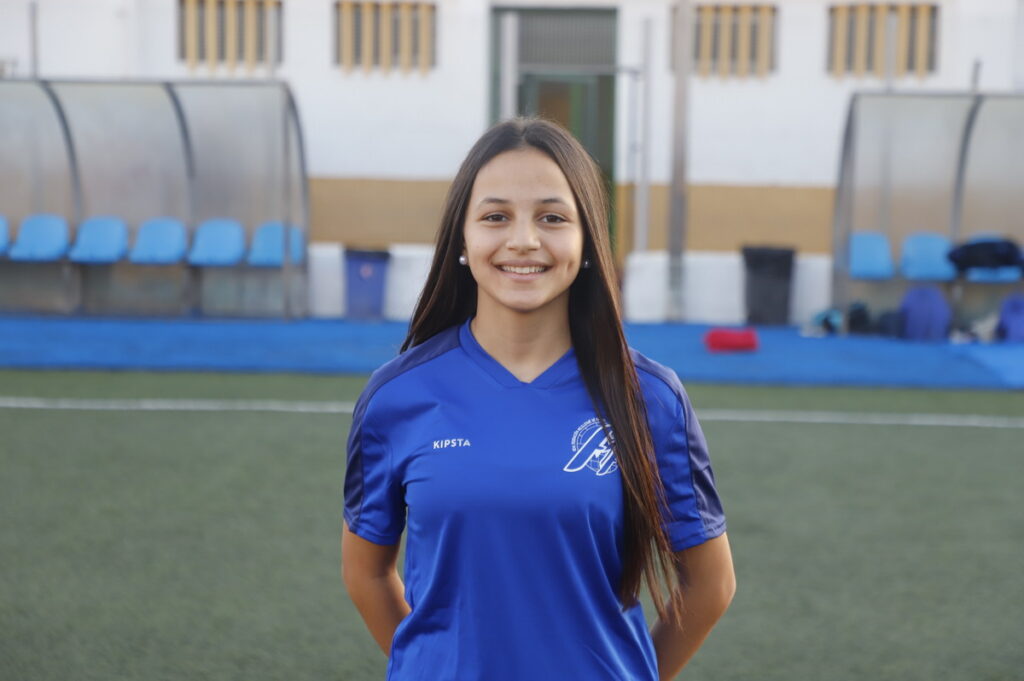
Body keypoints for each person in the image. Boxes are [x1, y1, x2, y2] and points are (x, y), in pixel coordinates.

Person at [342, 118, 735, 681]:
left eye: (552, 218)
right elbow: (366, 575)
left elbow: (711, 584)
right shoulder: (396, 397)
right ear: (462, 239)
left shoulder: (650, 399)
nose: (523, 240)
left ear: (588, 241)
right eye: (496, 216)